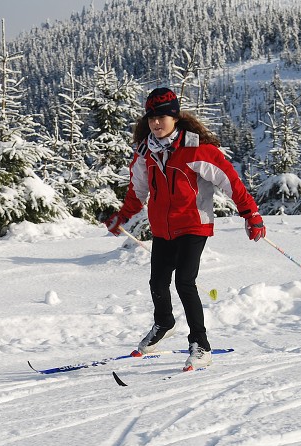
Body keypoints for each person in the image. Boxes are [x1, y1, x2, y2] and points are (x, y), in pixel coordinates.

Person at [103, 87, 265, 371]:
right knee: (157, 283)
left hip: (193, 225)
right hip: (164, 229)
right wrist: (123, 216)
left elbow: (230, 181)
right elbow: (137, 191)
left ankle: (201, 345)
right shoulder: (145, 153)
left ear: (175, 117)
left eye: (163, 116)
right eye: (152, 116)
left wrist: (251, 214)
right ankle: (164, 323)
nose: (156, 122)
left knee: (185, 282)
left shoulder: (195, 148)